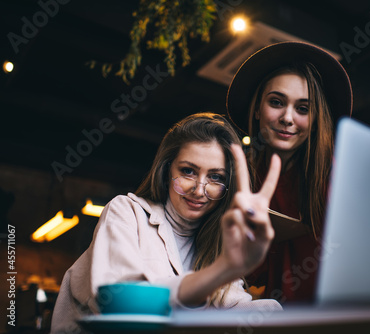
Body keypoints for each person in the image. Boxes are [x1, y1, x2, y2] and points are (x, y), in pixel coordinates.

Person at [50, 113, 282, 334]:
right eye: (188, 171)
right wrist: (222, 269)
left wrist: (276, 315)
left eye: (216, 177)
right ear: (166, 170)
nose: (199, 190)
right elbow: (124, 307)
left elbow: (236, 309)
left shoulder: (217, 241)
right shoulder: (125, 212)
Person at [226, 42, 353, 303]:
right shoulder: (237, 177)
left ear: (316, 118)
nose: (287, 117)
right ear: (258, 109)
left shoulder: (341, 178)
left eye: (303, 108)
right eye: (276, 102)